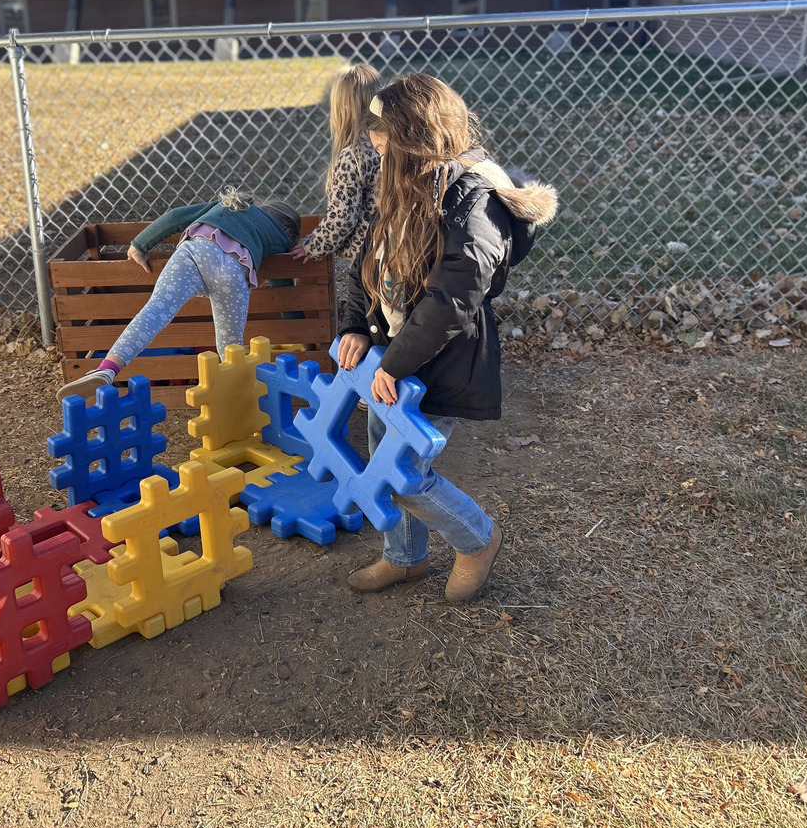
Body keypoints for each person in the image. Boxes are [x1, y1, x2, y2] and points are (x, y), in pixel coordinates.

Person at [337, 73, 557, 602]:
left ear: (415, 139)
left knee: (402, 472)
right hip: (391, 350)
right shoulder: (401, 184)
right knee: (380, 449)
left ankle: (478, 537)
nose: (375, 147)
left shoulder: (470, 204)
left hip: (437, 358)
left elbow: (452, 300)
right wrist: (354, 326)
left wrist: (395, 365)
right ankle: (405, 557)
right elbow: (365, 262)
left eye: (383, 138)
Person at [56, 188, 300, 400]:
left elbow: (174, 216)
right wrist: (305, 334)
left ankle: (107, 368)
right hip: (232, 272)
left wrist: (139, 245)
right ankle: (238, 402)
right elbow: (284, 285)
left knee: (155, 311)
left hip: (195, 252)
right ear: (288, 230)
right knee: (229, 346)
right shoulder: (278, 235)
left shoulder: (230, 205)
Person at [291, 65, 383, 285]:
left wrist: (313, 246)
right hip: (390, 242)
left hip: (368, 254)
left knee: (367, 306)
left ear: (342, 109)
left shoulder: (354, 155)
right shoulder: (386, 145)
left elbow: (342, 218)